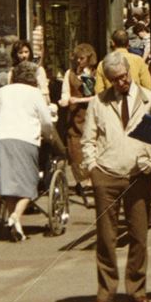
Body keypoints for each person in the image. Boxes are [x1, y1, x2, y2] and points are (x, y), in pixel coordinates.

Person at [81, 51, 151, 302]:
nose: (121, 83)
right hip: (106, 175)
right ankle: (106, 293)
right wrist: (93, 168)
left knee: (139, 235)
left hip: (138, 176)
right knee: (106, 238)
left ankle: (137, 289)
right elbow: (88, 139)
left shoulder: (150, 100)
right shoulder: (98, 103)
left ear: (130, 72)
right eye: (115, 79)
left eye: (124, 76)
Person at [0, 61, 54, 241]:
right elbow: (47, 122)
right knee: (29, 183)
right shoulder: (35, 93)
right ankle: (14, 216)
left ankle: (17, 226)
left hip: (2, 138)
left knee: (8, 182)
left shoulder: (2, 91)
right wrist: (48, 136)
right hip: (25, 138)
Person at [59, 43, 97, 202]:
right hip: (74, 117)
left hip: (89, 115)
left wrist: (79, 98)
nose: (79, 61)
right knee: (75, 149)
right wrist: (64, 100)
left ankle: (90, 182)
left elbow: (94, 95)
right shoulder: (70, 74)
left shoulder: (92, 74)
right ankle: (82, 181)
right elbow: (65, 93)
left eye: (82, 58)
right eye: (77, 58)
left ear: (89, 59)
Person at [94, 29, 151, 93]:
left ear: (112, 43)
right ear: (128, 43)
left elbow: (99, 91)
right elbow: (147, 86)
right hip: (136, 100)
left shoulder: (103, 64)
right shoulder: (138, 60)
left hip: (112, 101)